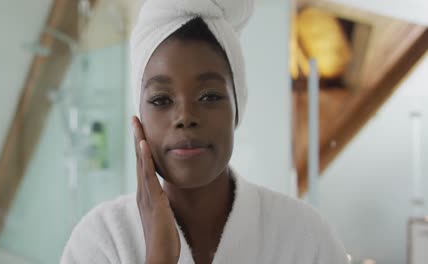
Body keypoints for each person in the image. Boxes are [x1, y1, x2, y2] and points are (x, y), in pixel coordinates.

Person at [61, 0, 348, 263]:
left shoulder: (306, 238)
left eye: (209, 96)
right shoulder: (101, 242)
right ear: (139, 122)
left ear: (238, 108)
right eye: (161, 100)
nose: (185, 117)